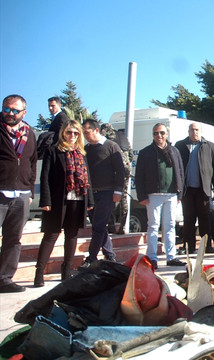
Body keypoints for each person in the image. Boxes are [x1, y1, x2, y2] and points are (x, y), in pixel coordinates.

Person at [35, 120, 93, 286]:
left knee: (72, 235)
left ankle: (66, 272)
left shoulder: (81, 153)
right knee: (51, 235)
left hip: (78, 199)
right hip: (57, 200)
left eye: (76, 133)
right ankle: (39, 273)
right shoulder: (53, 151)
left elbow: (87, 179)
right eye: (69, 132)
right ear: (63, 133)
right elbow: (45, 177)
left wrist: (90, 200)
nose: (72, 136)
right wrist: (45, 200)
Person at [135, 123, 186, 269]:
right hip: (153, 195)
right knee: (153, 226)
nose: (159, 136)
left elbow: (180, 172)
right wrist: (142, 196)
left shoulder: (174, 151)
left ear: (167, 134)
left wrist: (180, 193)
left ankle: (171, 256)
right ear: (153, 135)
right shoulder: (146, 152)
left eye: (162, 133)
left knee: (170, 226)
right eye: (156, 133)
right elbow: (139, 176)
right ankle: (152, 257)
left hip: (171, 194)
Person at [0, 95, 37, 293]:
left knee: (13, 239)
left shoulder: (29, 133)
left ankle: (4, 279)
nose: (10, 114)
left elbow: (32, 162)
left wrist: (30, 190)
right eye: (6, 109)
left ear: (23, 113)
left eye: (15, 110)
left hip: (21, 193)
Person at [80, 119, 124, 267]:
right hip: (91, 194)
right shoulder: (86, 149)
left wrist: (118, 191)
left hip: (108, 192)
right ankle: (110, 254)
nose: (85, 135)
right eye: (84, 133)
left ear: (96, 130)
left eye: (87, 132)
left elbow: (120, 170)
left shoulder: (111, 146)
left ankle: (92, 257)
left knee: (98, 225)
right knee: (99, 225)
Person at [175, 123, 214, 254]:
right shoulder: (180, 146)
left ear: (200, 132)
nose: (194, 132)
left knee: (205, 219)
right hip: (187, 190)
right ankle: (189, 247)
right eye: (192, 130)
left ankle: (206, 246)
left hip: (204, 189)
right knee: (188, 219)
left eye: (196, 130)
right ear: (188, 131)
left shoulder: (209, 146)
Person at [100, 123, 133, 234]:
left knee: (110, 196)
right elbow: (131, 156)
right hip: (126, 169)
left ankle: (111, 225)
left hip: (114, 169)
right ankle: (123, 226)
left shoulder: (107, 137)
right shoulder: (123, 136)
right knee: (123, 197)